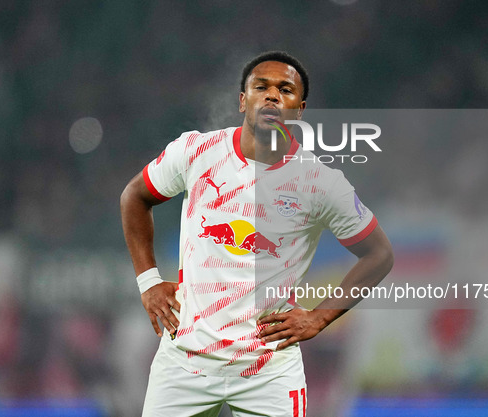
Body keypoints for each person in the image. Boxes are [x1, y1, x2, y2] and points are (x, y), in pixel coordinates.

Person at [120, 51, 394, 417]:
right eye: (260, 86)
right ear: (242, 100)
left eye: (285, 89)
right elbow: (134, 197)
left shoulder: (320, 183)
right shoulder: (196, 151)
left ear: (299, 109)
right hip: (185, 359)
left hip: (268, 369)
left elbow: (379, 255)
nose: (272, 96)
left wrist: (319, 317)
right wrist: (149, 281)